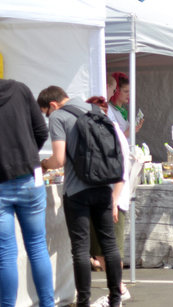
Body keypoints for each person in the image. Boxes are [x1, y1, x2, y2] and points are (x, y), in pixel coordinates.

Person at [38, 86, 123, 307]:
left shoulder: (58, 117)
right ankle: (116, 299)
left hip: (77, 190)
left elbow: (58, 159)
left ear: (53, 105)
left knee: (80, 249)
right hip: (103, 185)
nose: (48, 117)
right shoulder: (96, 109)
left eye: (46, 112)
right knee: (109, 245)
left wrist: (44, 165)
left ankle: (83, 301)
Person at [0, 79, 54, 307]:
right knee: (37, 245)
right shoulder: (20, 89)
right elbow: (41, 130)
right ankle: (48, 304)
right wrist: (29, 153)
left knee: (5, 253)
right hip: (29, 178)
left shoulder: (21, 89)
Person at [85, 97, 132, 305]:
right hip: (109, 197)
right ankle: (118, 289)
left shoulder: (109, 131)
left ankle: (118, 291)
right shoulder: (107, 130)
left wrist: (114, 200)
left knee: (109, 249)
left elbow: (120, 167)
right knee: (102, 251)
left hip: (113, 198)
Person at [108, 72, 143, 141]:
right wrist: (128, 132)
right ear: (116, 91)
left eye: (130, 91)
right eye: (126, 91)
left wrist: (135, 128)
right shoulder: (109, 109)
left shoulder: (122, 110)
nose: (129, 94)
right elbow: (109, 140)